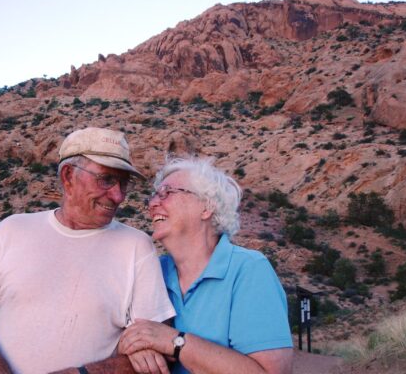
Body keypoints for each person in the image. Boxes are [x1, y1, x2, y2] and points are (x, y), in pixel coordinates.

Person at [0, 127, 176, 374]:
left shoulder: (136, 246)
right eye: (106, 180)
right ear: (68, 176)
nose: (117, 196)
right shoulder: (12, 230)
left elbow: (155, 349)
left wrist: (81, 373)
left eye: (123, 184)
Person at [118, 157, 293, 374]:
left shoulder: (248, 270)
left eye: (167, 193)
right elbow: (128, 335)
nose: (153, 204)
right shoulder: (153, 270)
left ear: (207, 207)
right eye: (154, 195)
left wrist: (175, 342)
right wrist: (135, 347)